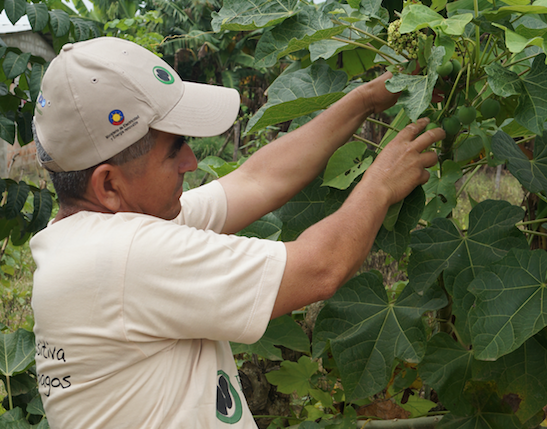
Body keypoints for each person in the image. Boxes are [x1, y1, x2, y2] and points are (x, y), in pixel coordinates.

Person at [30, 37, 443, 429]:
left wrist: (366, 99)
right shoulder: (125, 256)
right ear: (108, 184)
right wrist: (382, 181)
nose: (190, 162)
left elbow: (256, 180)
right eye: (175, 150)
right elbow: (321, 268)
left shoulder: (91, 239)